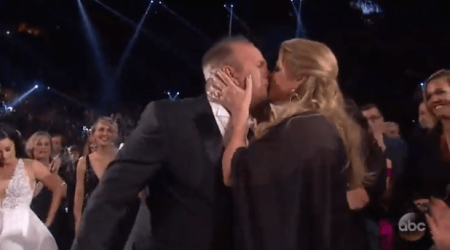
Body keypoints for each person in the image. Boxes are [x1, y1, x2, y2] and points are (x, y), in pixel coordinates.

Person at [71, 35, 270, 250]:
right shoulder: (169, 118)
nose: (269, 74)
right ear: (230, 74)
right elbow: (111, 196)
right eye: (260, 66)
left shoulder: (266, 129)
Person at [208, 38, 369, 250]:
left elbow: (233, 172)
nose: (271, 76)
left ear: (299, 78)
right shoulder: (323, 125)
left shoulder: (299, 131)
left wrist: (239, 114)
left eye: (278, 68)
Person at [0, 124, 65, 250]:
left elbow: (59, 187)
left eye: (8, 149)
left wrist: (49, 220)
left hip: (24, 229)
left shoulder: (30, 166)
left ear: (15, 145)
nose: (4, 155)